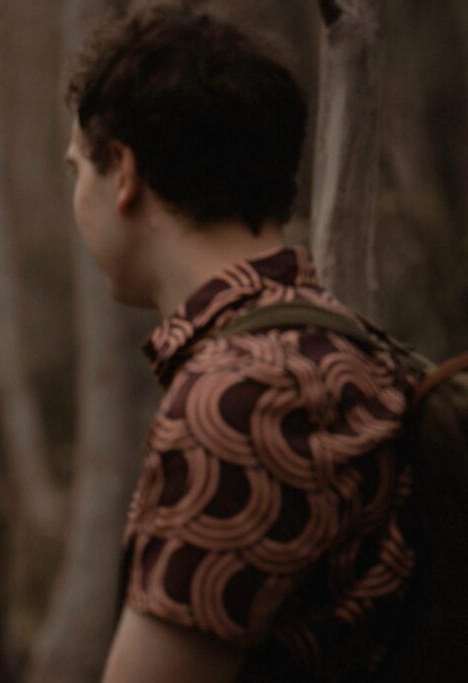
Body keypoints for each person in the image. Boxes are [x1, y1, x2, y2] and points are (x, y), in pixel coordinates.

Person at [64, 4, 416, 681]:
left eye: (78, 168)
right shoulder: (328, 344)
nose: (78, 194)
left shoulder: (242, 396)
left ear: (125, 172)